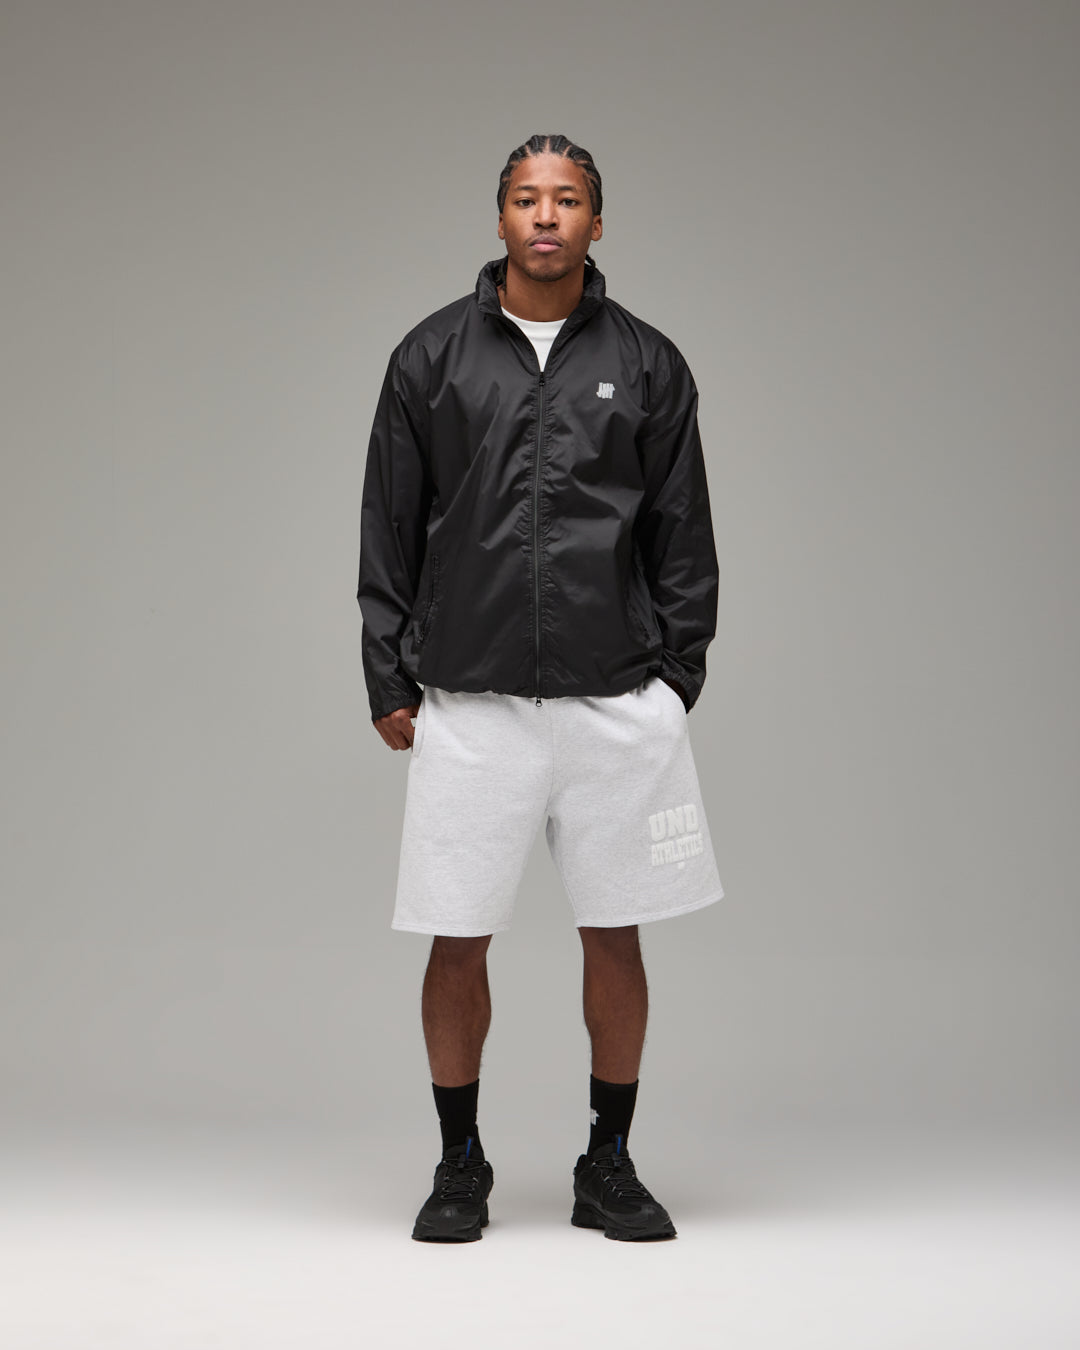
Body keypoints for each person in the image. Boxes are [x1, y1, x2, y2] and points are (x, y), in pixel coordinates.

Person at [356, 133, 724, 1242]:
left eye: (567, 200)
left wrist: (676, 676)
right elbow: (390, 522)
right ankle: (458, 1164)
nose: (547, 216)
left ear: (596, 223)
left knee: (615, 933)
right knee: (455, 934)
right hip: (472, 700)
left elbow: (682, 530)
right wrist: (388, 670)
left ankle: (608, 1163)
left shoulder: (649, 363)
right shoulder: (431, 357)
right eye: (527, 198)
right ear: (502, 220)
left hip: (616, 699)